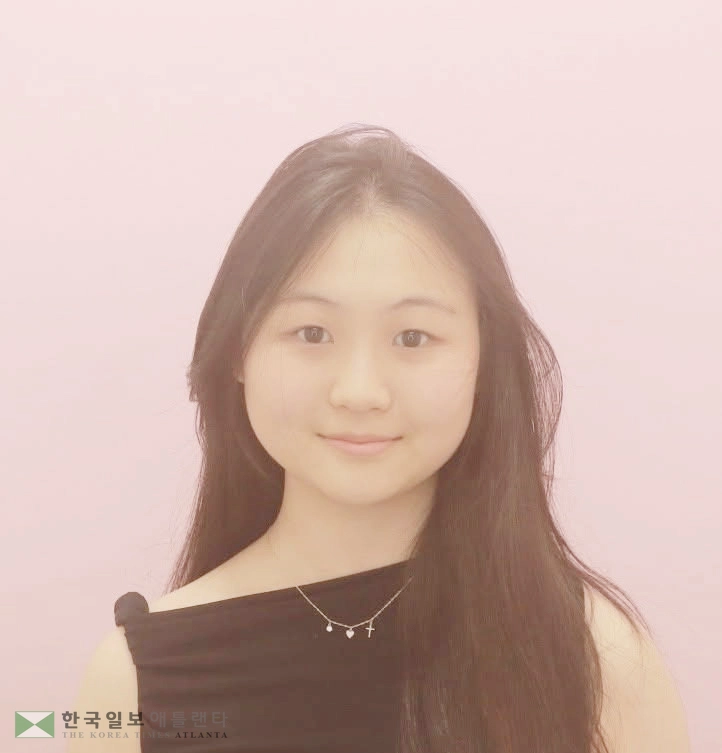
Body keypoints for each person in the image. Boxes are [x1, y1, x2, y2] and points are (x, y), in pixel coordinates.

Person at [68, 123, 690, 753]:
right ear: (237, 353)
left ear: (485, 361)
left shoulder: (596, 658)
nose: (360, 391)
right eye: (312, 333)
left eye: (412, 338)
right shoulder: (135, 685)